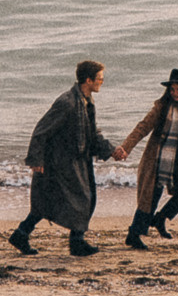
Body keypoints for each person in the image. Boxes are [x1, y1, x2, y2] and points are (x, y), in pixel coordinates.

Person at [10, 60, 114, 257]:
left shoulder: (85, 101)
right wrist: (36, 160)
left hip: (76, 160)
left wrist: (111, 150)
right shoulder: (67, 102)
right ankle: (76, 243)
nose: (102, 82)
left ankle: (21, 234)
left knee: (52, 202)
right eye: (100, 78)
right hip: (59, 163)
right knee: (76, 199)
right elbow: (41, 131)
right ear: (88, 80)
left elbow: (92, 134)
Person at [117, 67, 178, 251]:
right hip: (160, 160)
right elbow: (142, 127)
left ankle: (160, 218)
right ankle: (133, 235)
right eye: (172, 89)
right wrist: (125, 148)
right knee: (150, 198)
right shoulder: (162, 108)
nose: (175, 93)